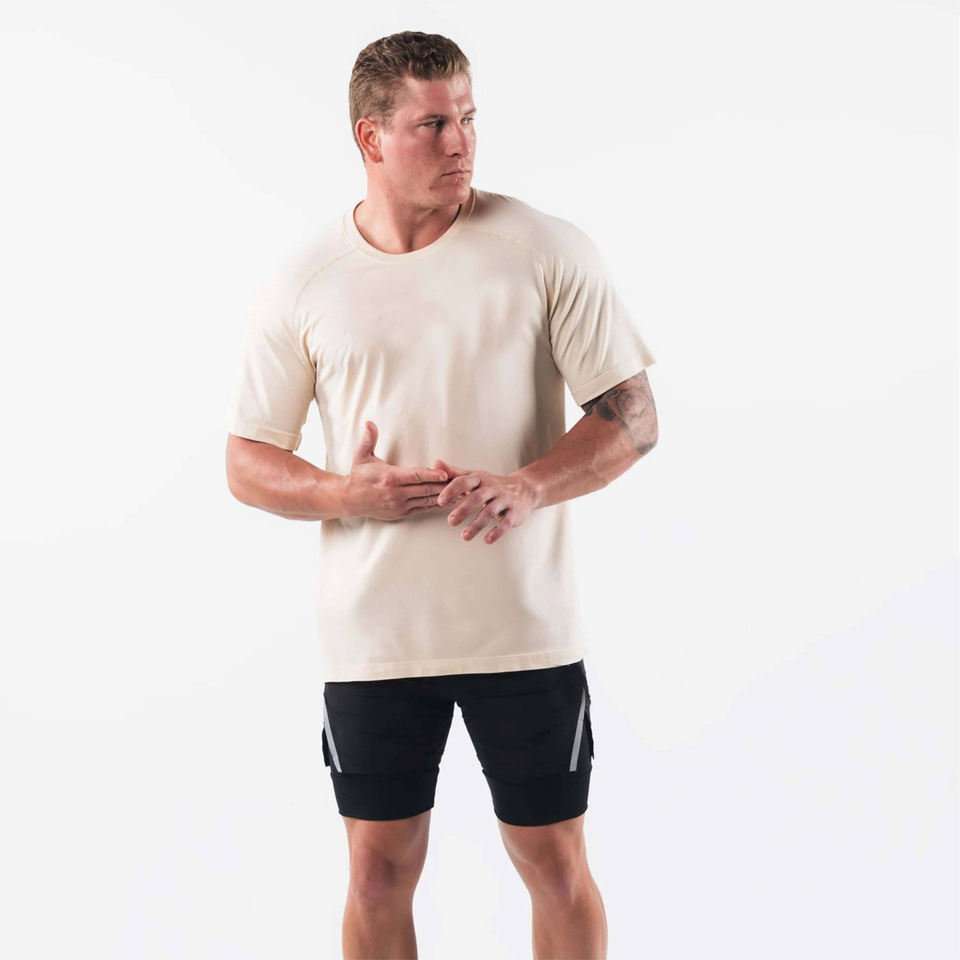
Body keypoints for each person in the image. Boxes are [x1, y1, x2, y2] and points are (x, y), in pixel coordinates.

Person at [224, 29, 658, 960]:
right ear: (370, 137)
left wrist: (529, 485)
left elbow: (633, 417)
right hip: (376, 639)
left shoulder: (542, 248)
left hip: (523, 629)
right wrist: (346, 492)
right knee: (376, 875)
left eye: (468, 117)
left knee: (554, 866)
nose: (461, 143)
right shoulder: (305, 280)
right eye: (433, 124)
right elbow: (247, 461)